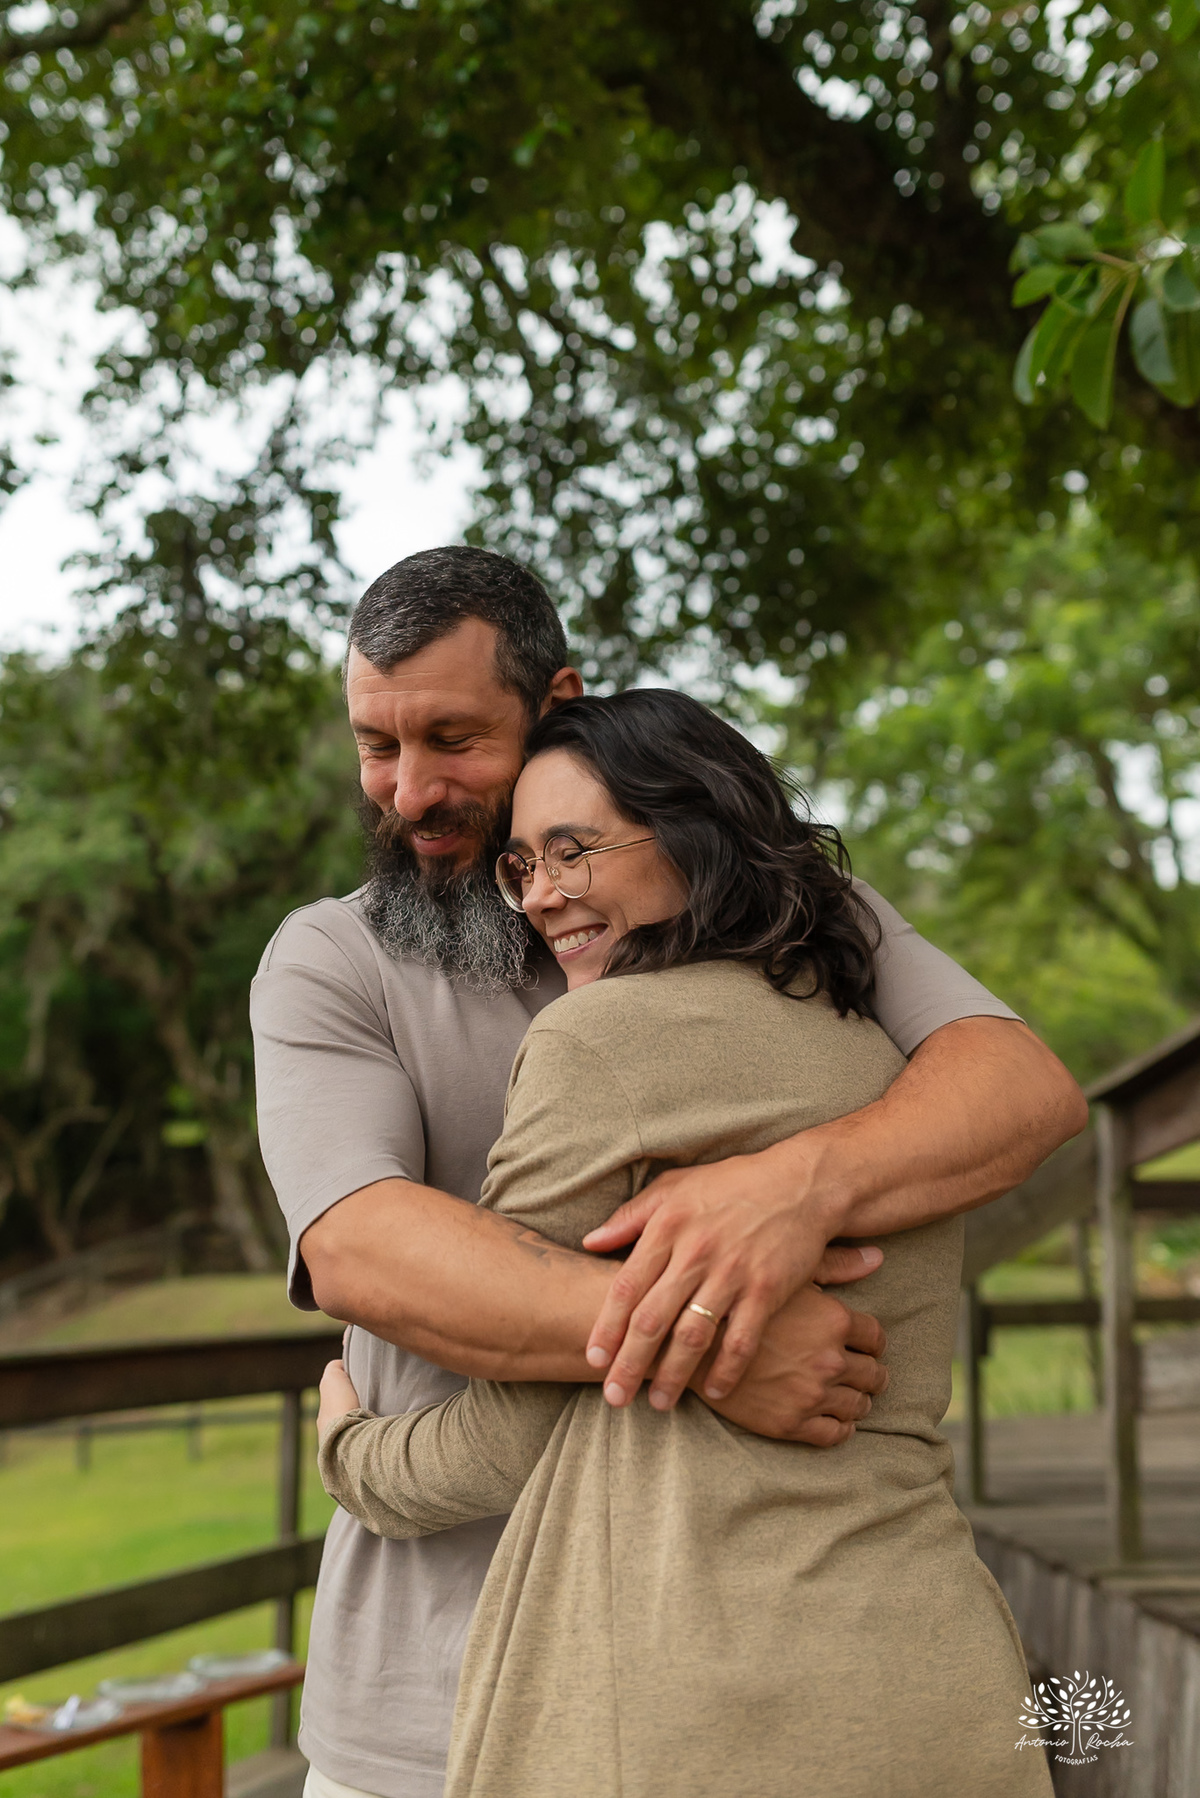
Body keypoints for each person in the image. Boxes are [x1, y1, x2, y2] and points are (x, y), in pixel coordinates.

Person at [250, 546, 1084, 1798]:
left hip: (729, 1684)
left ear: (557, 698)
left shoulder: (795, 920)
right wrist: (726, 1340)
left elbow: (1022, 1091)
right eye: (378, 744)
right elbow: (361, 1246)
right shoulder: (333, 959)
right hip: (438, 1701)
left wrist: (793, 1189)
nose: (411, 789)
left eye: (454, 738)